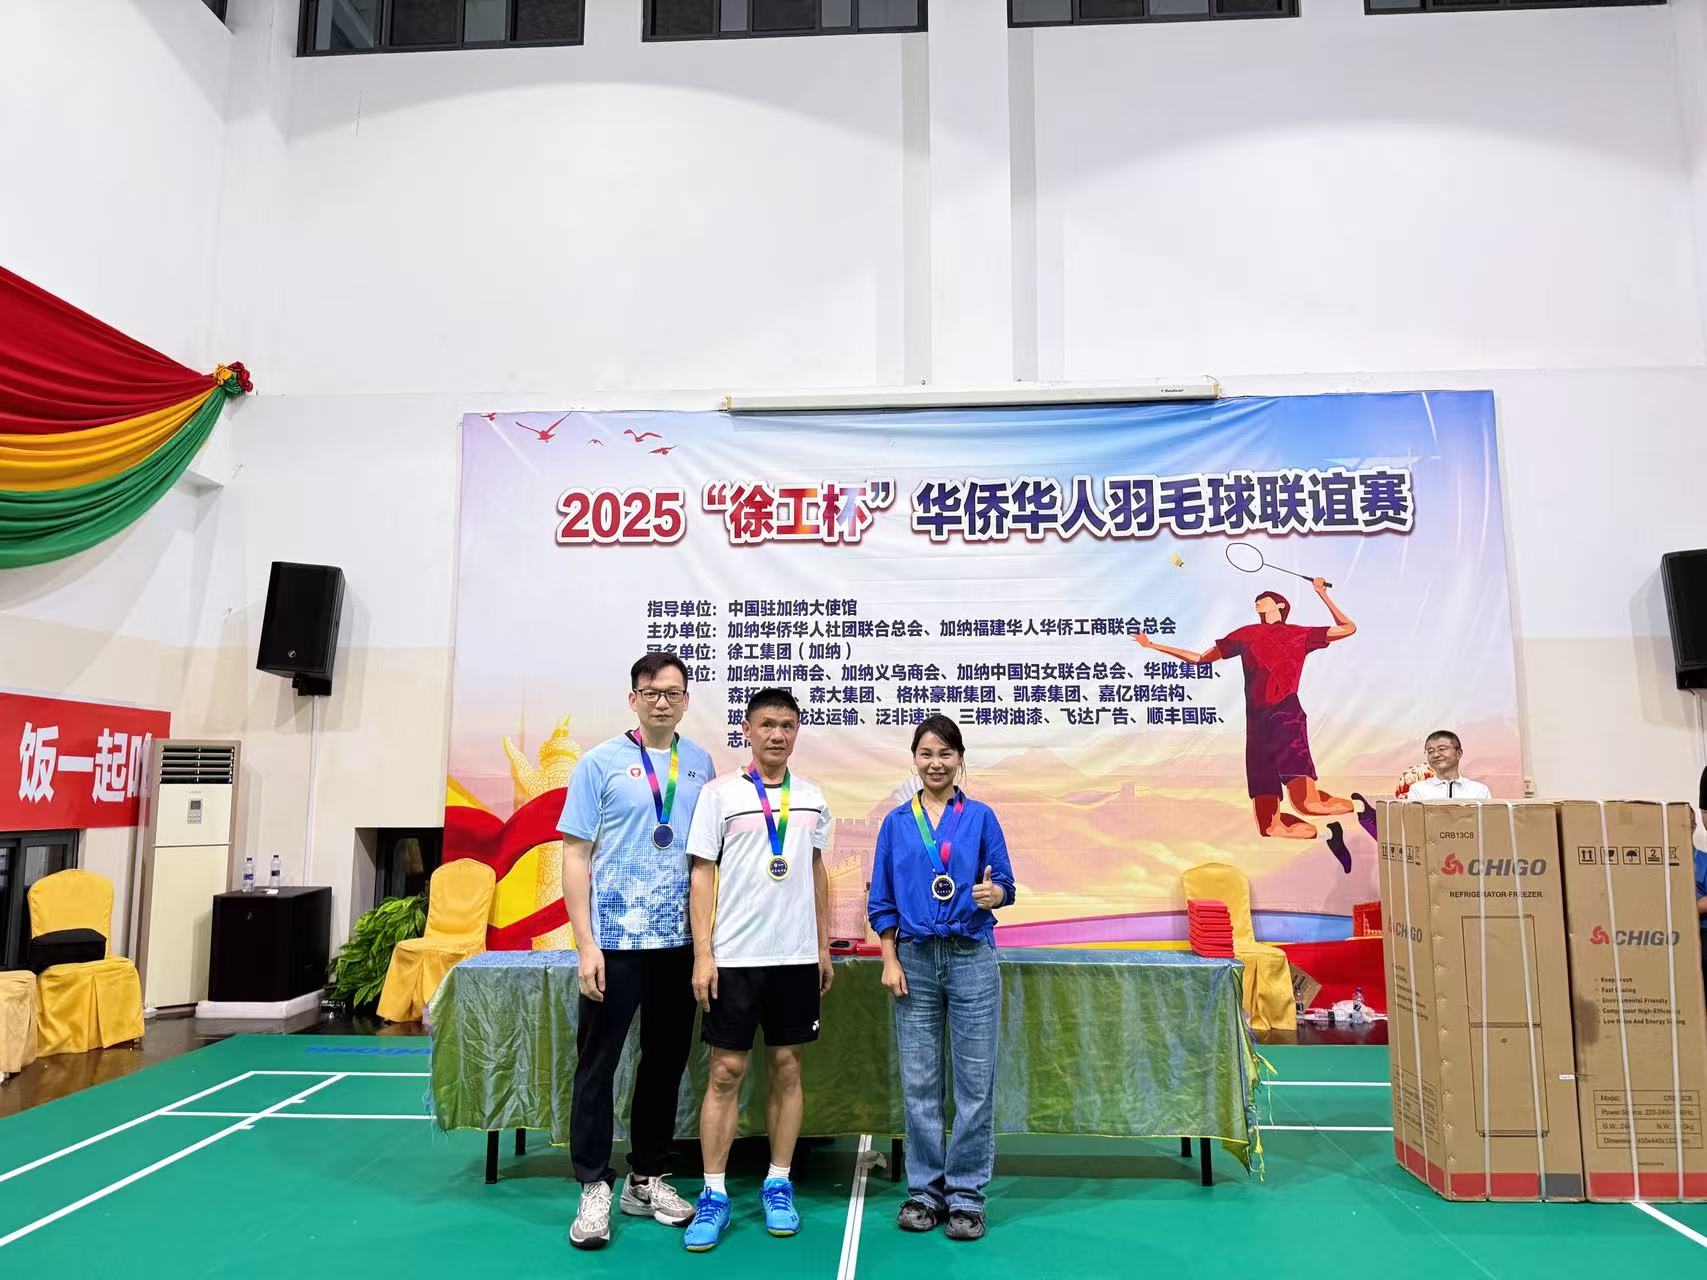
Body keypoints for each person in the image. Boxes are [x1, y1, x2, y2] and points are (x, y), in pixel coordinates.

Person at [557, 652, 716, 1250]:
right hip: (615, 944)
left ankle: (646, 1178)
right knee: (597, 1064)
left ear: (686, 700)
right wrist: (586, 944)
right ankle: (593, 1184)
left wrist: (704, 946)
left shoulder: (699, 763)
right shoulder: (598, 763)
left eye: (673, 692)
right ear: (633, 699)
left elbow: (703, 859)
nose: (662, 701)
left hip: (677, 944)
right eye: (651, 692)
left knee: (664, 1064)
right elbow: (575, 855)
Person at [681, 688, 834, 1253]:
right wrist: (703, 954)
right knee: (725, 1072)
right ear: (746, 730)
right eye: (767, 724)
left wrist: (822, 947)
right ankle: (714, 1193)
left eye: (788, 725)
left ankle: (778, 1183)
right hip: (735, 959)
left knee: (788, 1068)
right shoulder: (719, 794)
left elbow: (816, 872)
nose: (777, 734)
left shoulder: (812, 798)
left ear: (797, 732)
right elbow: (701, 875)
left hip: (795, 958)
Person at [867, 714, 1015, 1243]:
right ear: (915, 759)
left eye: (945, 754)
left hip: (972, 955)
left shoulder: (981, 817)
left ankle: (967, 1197)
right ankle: (925, 1193)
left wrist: (995, 895)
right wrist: (890, 958)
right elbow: (881, 900)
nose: (936, 763)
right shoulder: (895, 823)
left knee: (975, 1083)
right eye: (926, 754)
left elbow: (1006, 883)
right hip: (915, 960)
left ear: (959, 759)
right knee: (920, 1081)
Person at [1135, 579, 1356, 840]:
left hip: (1286, 713)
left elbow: (1348, 628)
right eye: (1257, 599)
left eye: (1266, 597)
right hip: (1257, 721)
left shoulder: (1300, 634)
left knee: (1307, 805)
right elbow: (1200, 658)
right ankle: (1290, 821)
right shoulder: (1245, 634)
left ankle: (1332, 802)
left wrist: (1322, 594)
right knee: (1268, 827)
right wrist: (1153, 645)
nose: (1258, 600)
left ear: (1280, 606)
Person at [1406, 730, 1492, 800]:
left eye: (1442, 749)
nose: (1436, 755)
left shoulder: (1479, 791)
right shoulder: (1418, 790)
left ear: (1459, 753)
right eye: (1430, 751)